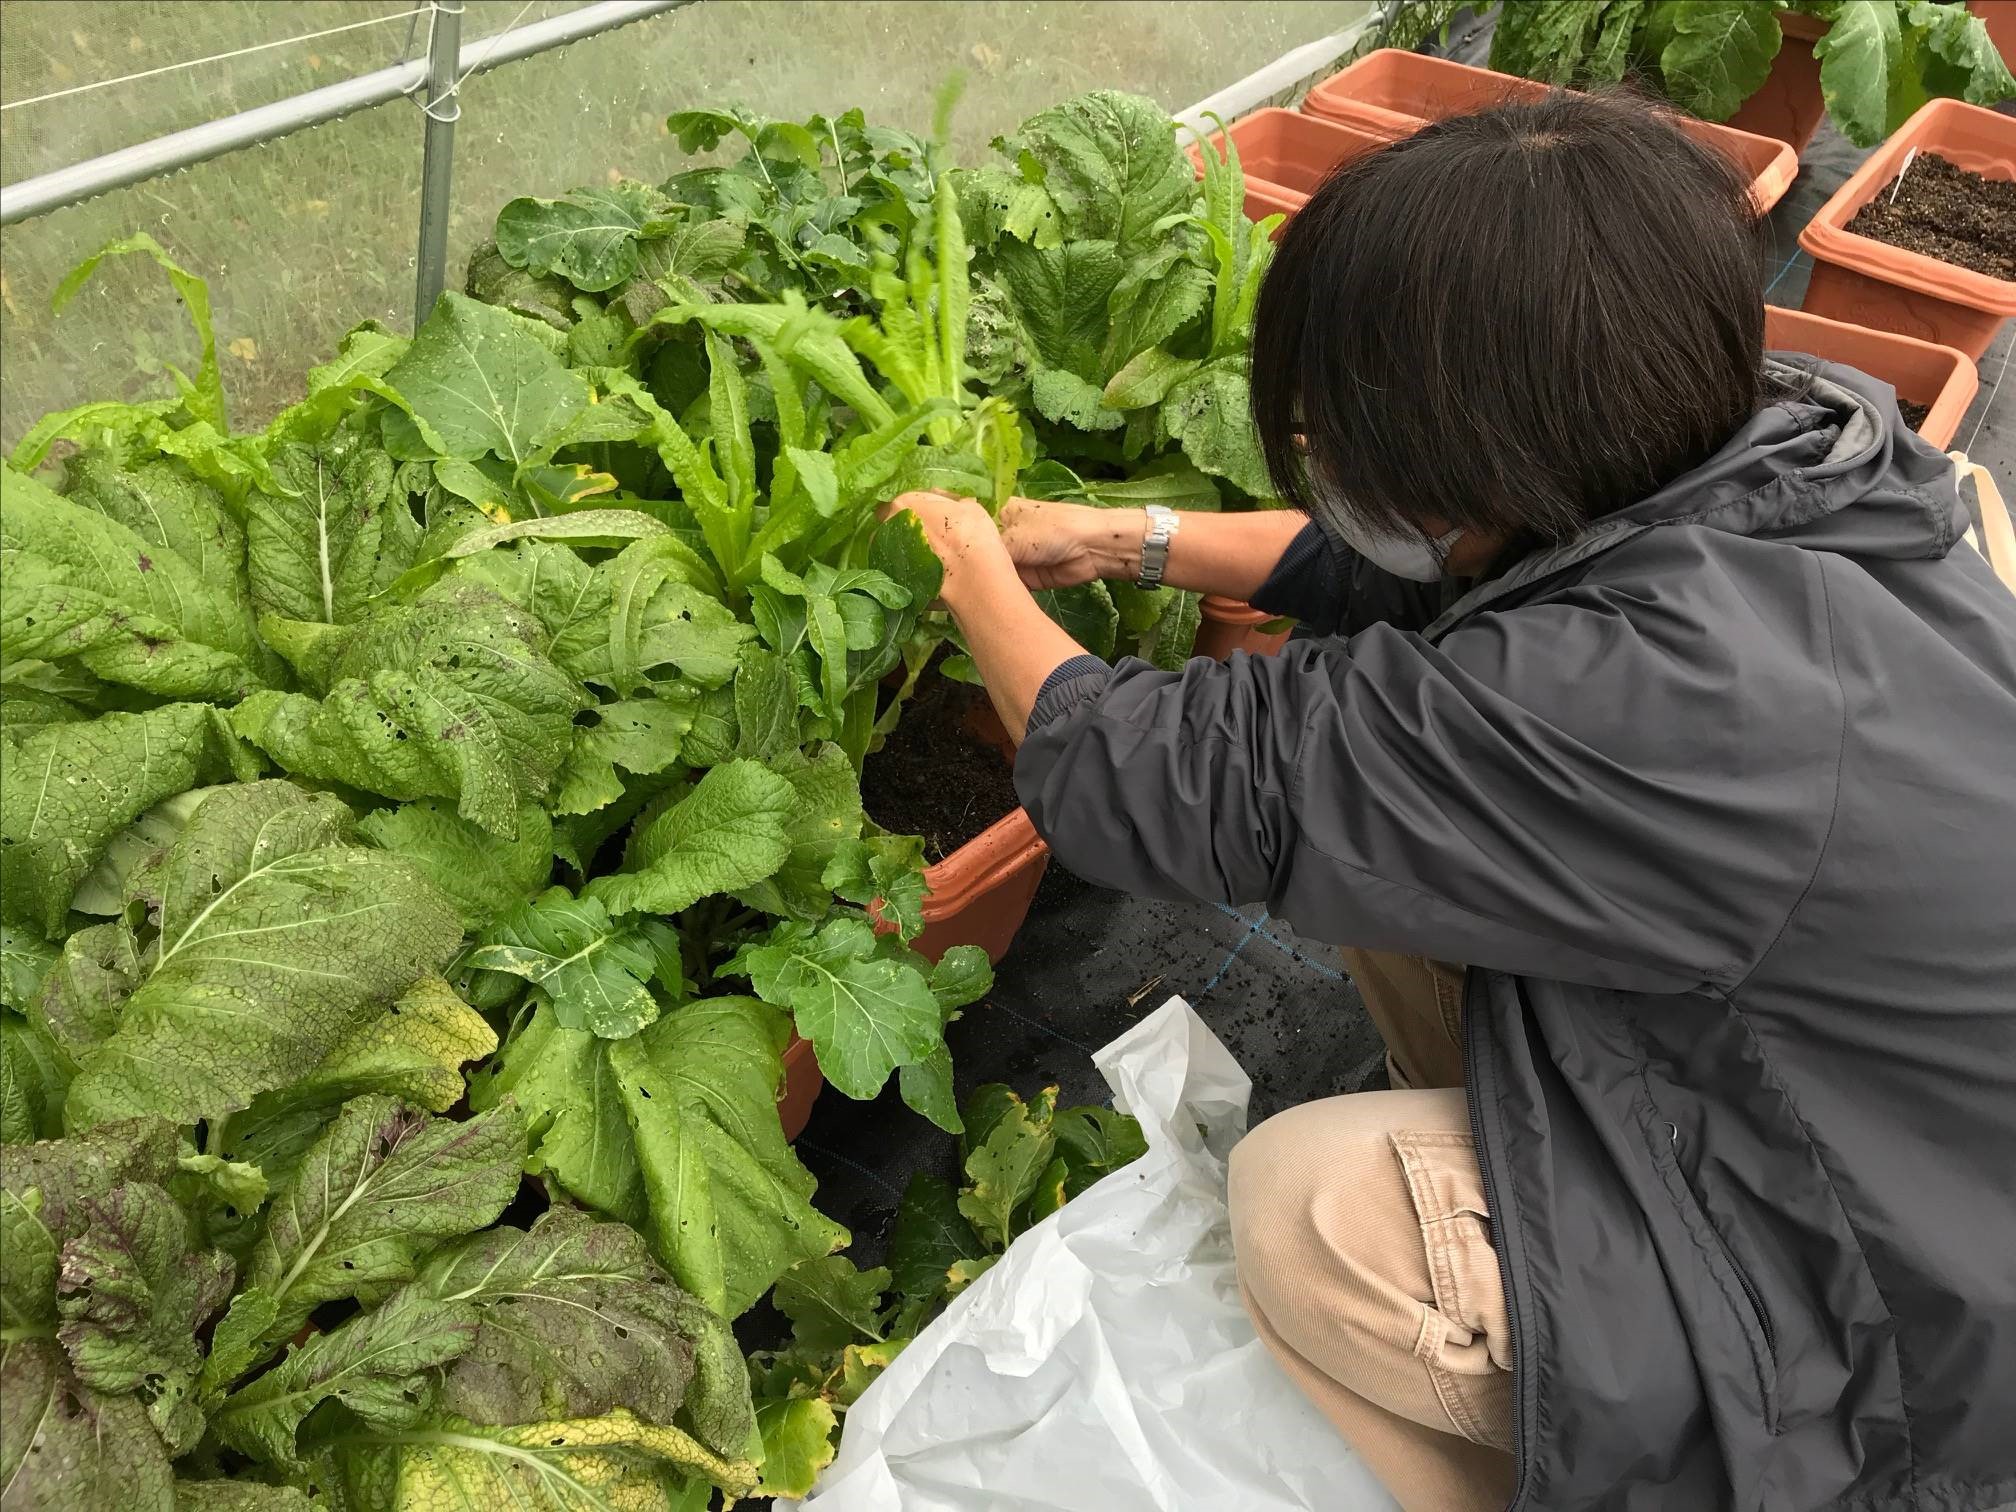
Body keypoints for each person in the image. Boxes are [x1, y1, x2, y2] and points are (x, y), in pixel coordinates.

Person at [886, 89, 2016, 1512]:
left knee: (1308, 1216)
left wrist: (969, 570)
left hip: (1912, 1340)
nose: (1342, 467)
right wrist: (1135, 538)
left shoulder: (1644, 701)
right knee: (1383, 860)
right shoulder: (1788, 459)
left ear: (1483, 448)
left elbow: (1160, 781)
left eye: (1358, 442)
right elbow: (1460, 573)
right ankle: (1514, 1190)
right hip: (1875, 1109)